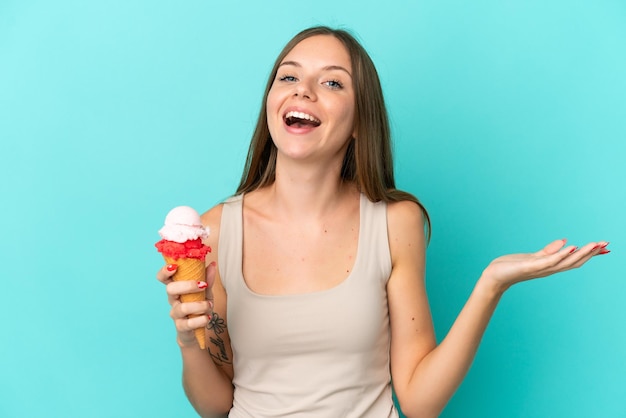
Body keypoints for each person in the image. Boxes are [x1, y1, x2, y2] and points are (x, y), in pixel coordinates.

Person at [156, 26, 609, 418]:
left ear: (358, 122)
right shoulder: (214, 231)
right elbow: (216, 404)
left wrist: (491, 283)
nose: (303, 90)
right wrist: (188, 341)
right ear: (271, 102)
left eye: (332, 83)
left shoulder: (395, 222)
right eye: (289, 76)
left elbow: (419, 401)